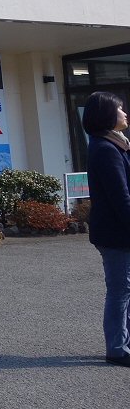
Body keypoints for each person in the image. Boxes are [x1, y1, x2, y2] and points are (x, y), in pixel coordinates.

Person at [82, 91, 130, 367]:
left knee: (125, 290)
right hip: (116, 233)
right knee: (120, 290)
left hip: (117, 231)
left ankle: (123, 343)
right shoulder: (106, 149)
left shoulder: (115, 145)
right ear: (107, 115)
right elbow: (120, 198)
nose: (125, 113)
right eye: (120, 109)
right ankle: (117, 349)